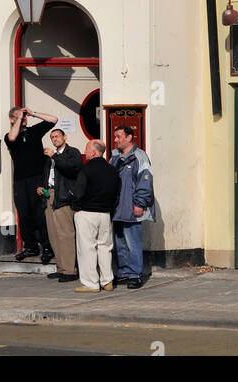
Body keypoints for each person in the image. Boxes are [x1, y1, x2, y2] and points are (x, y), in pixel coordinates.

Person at [4, 105, 59, 261]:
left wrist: (33, 113)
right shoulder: (9, 137)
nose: (24, 119)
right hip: (20, 181)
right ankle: (30, 247)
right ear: (12, 119)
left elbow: (54, 120)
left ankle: (47, 247)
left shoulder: (34, 131)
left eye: (25, 117)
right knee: (24, 213)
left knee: (39, 214)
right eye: (20, 117)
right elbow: (13, 137)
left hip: (37, 178)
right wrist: (20, 117)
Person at [70, 138, 121, 292]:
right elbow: (117, 194)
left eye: (87, 149)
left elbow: (78, 193)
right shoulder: (113, 170)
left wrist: (75, 205)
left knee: (87, 248)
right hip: (105, 213)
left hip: (87, 212)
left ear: (93, 151)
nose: (85, 153)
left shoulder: (85, 170)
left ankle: (91, 283)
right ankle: (107, 281)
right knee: (105, 247)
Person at [110, 124, 154, 289]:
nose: (115, 140)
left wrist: (139, 203)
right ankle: (123, 273)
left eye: (118, 136)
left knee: (132, 242)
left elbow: (145, 181)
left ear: (129, 138)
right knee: (120, 242)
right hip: (117, 209)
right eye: (115, 137)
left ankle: (135, 275)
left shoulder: (139, 156)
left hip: (131, 208)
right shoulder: (114, 156)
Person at [40, 127, 82, 282]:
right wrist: (41, 186)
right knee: (54, 234)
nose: (54, 139)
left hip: (63, 196)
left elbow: (71, 171)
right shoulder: (49, 157)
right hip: (49, 195)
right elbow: (46, 174)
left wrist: (55, 157)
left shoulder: (72, 153)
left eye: (57, 136)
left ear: (65, 137)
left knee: (66, 234)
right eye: (52, 137)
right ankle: (61, 267)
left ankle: (70, 270)